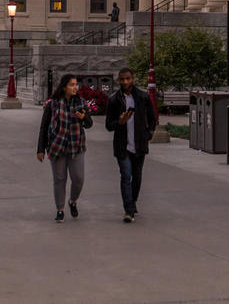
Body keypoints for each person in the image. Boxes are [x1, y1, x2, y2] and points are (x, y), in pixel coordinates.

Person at [37, 74, 92, 223]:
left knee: (78, 178)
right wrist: (40, 149)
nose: (75, 87)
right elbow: (44, 127)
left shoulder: (81, 103)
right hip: (57, 146)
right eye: (71, 85)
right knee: (59, 179)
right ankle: (60, 209)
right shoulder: (52, 104)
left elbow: (89, 124)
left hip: (76, 146)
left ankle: (72, 201)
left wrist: (84, 118)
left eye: (76, 84)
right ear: (64, 87)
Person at [104, 67, 156, 223]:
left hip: (139, 144)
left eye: (127, 78)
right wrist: (119, 122)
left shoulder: (143, 97)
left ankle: (133, 201)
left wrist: (148, 134)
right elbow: (108, 125)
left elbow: (152, 119)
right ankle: (129, 210)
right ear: (118, 80)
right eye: (122, 79)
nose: (125, 81)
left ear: (132, 79)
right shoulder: (114, 100)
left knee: (137, 176)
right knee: (126, 175)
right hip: (122, 145)